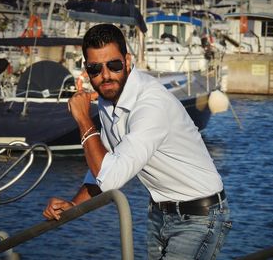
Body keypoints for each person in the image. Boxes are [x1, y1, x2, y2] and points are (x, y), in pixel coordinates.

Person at [43, 23, 231, 259]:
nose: (105, 76)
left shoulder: (150, 105)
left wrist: (82, 119)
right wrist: (74, 205)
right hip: (160, 213)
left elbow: (111, 178)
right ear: (86, 69)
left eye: (113, 65)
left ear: (128, 61)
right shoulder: (107, 99)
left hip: (200, 215)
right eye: (95, 68)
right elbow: (104, 166)